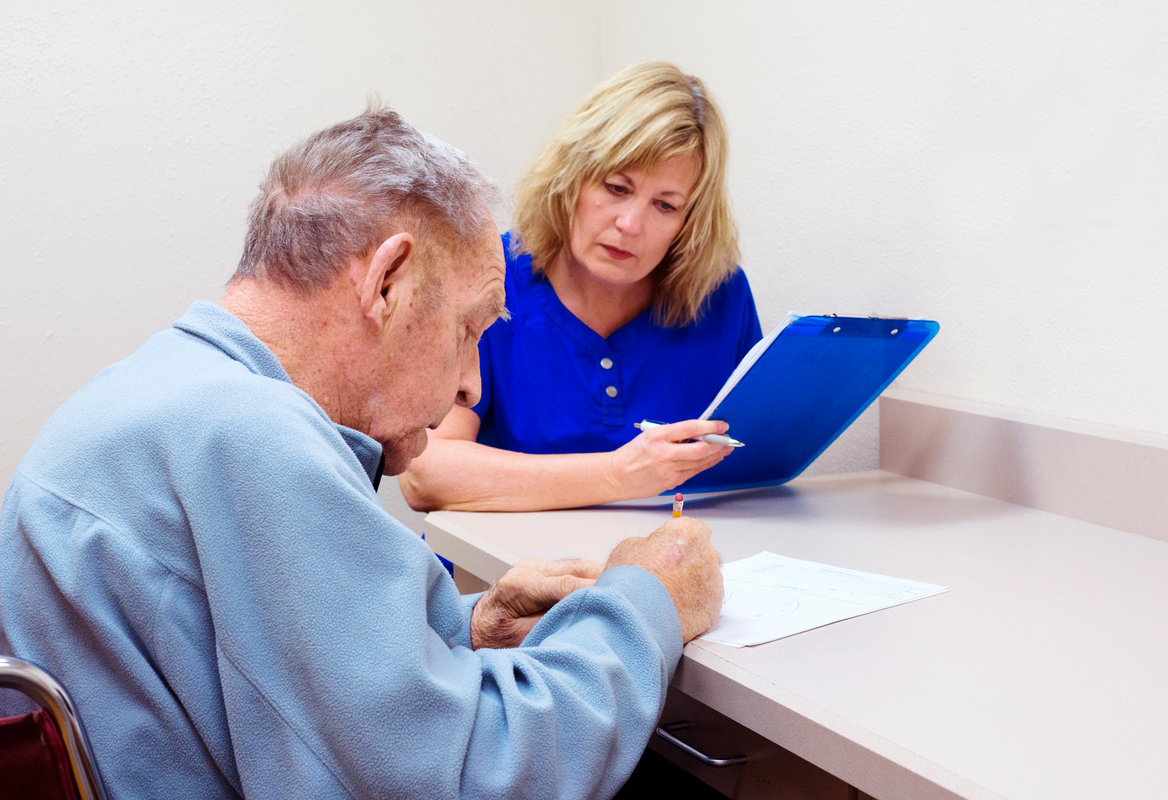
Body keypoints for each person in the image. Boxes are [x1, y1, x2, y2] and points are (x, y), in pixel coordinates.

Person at [0, 106, 723, 800]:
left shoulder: (164, 384)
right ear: (386, 282)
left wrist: (470, 626)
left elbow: (259, 657)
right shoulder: (253, 439)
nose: (473, 382)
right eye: (471, 328)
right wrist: (649, 597)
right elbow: (471, 776)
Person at [399, 62, 763, 513]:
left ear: (689, 221)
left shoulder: (721, 296)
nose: (630, 225)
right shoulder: (491, 280)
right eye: (616, 187)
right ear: (571, 176)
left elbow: (760, 467)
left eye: (665, 205)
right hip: (507, 570)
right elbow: (424, 473)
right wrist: (619, 474)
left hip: (662, 565)